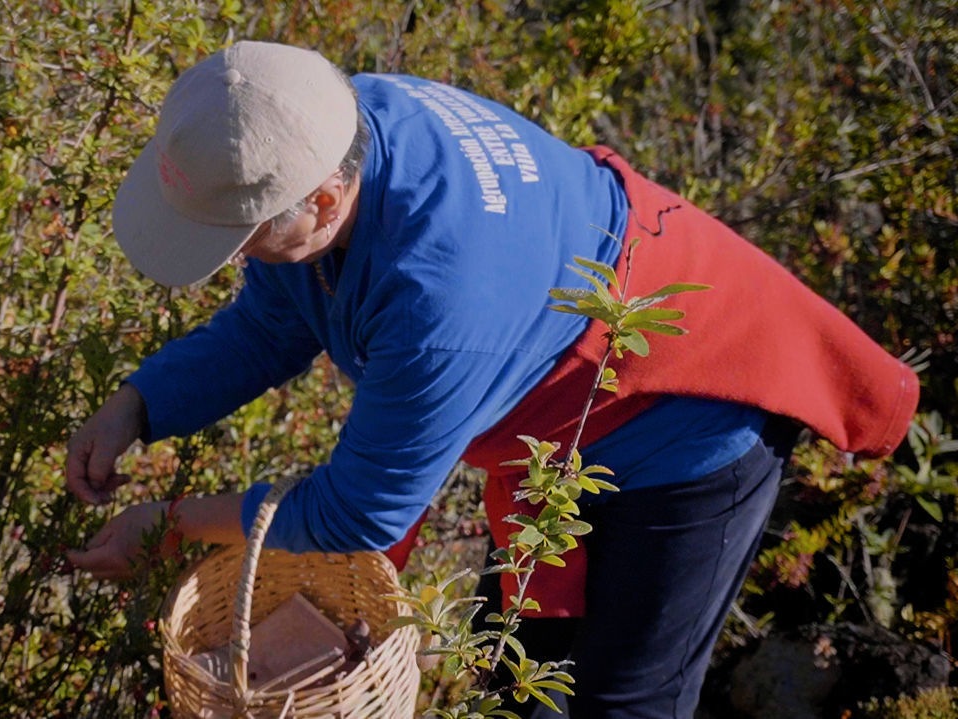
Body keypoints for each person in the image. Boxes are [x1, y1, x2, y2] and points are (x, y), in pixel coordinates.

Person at [64, 41, 918, 718]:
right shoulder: (321, 123)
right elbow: (272, 319)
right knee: (519, 670)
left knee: (622, 701)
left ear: (325, 201)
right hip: (556, 409)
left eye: (240, 236)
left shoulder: (441, 293)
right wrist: (138, 405)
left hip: (688, 412)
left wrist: (175, 525)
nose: (235, 258)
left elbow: (356, 513)